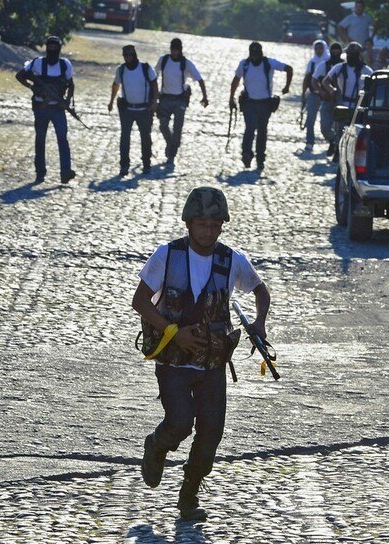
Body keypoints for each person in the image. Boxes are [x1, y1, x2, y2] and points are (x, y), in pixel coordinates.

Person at [132, 186, 271, 522]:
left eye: (215, 225)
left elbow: (261, 291)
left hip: (212, 364)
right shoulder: (167, 255)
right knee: (180, 422)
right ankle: (157, 445)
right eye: (202, 224)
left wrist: (259, 323)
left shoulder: (232, 260)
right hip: (172, 361)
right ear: (189, 224)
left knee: (211, 431)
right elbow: (140, 301)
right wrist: (173, 332)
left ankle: (189, 494)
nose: (209, 231)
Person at [15, 36, 76, 184]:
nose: (52, 49)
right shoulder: (37, 63)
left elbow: (71, 85)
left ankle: (65, 171)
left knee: (62, 139)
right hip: (41, 108)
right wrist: (32, 87)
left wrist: (67, 101)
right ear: (47, 47)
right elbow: (20, 75)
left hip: (58, 108)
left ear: (59, 48)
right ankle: (40, 172)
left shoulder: (65, 65)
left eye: (55, 47)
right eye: (50, 46)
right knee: (40, 140)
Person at [228, 42, 292, 171]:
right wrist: (231, 97)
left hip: (265, 104)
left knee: (262, 131)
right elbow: (236, 80)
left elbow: (289, 69)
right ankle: (246, 153)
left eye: (256, 55)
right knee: (250, 128)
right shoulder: (244, 64)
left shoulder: (270, 63)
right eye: (253, 55)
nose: (254, 57)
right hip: (249, 103)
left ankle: (260, 158)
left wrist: (287, 86)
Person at [154, 38, 209, 166]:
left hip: (180, 101)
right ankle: (170, 143)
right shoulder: (163, 60)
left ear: (180, 50)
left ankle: (172, 153)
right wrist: (153, 94)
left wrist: (205, 97)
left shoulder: (186, 64)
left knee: (177, 128)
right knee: (163, 125)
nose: (174, 52)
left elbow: (200, 80)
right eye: (172, 50)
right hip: (165, 99)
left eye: (176, 50)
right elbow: (154, 75)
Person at [108, 45, 159, 177]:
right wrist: (111, 101)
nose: (128, 58)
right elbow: (116, 84)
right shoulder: (121, 70)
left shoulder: (146, 68)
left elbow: (154, 84)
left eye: (130, 55)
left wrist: (154, 102)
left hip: (144, 110)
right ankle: (124, 165)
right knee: (125, 137)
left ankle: (146, 163)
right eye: (126, 55)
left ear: (134, 55)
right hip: (127, 110)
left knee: (145, 137)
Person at [322, 42, 373, 162]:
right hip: (342, 104)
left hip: (358, 106)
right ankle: (338, 151)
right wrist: (331, 90)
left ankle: (350, 155)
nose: (351, 56)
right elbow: (325, 81)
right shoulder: (339, 68)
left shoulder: (366, 70)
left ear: (359, 55)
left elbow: (373, 87)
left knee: (355, 132)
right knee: (340, 129)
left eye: (354, 54)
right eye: (349, 54)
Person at [310, 42, 344, 155]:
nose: (335, 52)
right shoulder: (323, 65)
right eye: (333, 50)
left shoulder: (344, 66)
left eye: (337, 50)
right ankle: (333, 141)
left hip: (342, 101)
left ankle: (338, 150)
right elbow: (314, 80)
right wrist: (322, 91)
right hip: (327, 100)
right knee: (324, 127)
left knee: (341, 127)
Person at [301, 39, 329, 153]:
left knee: (327, 121)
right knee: (310, 119)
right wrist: (303, 93)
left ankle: (331, 141)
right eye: (316, 48)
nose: (318, 50)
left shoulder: (328, 61)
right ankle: (309, 142)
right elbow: (307, 78)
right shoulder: (312, 62)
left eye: (321, 48)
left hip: (326, 96)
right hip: (313, 94)